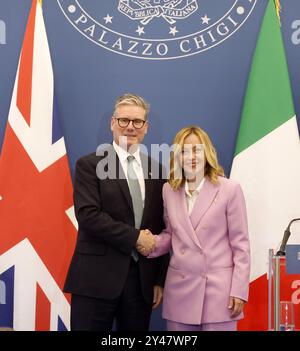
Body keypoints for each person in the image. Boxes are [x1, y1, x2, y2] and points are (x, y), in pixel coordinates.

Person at [64, 93, 169, 331]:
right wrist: (135, 237)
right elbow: (89, 215)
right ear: (113, 123)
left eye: (137, 122)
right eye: (124, 120)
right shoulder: (90, 165)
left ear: (145, 127)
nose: (130, 127)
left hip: (140, 283)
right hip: (95, 280)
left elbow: (163, 225)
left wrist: (158, 279)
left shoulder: (158, 169)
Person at [138, 125, 250, 331]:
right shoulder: (169, 190)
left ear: (207, 152)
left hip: (219, 293)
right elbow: (172, 235)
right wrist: (149, 243)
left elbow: (241, 246)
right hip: (180, 291)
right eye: (184, 151)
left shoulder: (229, 189)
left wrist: (239, 290)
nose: (191, 156)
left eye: (197, 149)